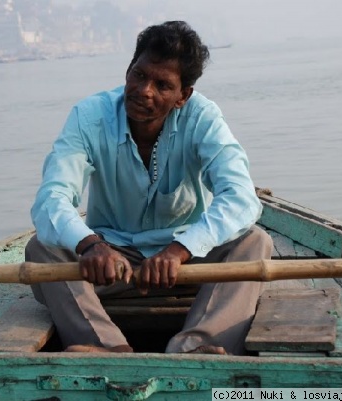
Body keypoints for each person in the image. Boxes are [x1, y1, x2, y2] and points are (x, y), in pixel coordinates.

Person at [26, 20, 273, 355]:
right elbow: (52, 198)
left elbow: (241, 198)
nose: (144, 90)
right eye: (139, 75)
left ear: (183, 96)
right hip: (111, 260)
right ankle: (107, 348)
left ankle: (197, 346)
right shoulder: (89, 116)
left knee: (254, 241)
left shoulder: (203, 117)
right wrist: (90, 246)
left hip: (186, 258)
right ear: (129, 70)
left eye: (162, 85)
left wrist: (179, 250)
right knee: (42, 249)